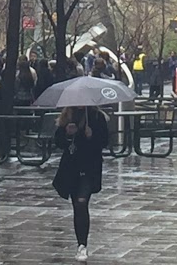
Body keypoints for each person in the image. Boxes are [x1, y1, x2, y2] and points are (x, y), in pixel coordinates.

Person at [52, 105, 110, 262]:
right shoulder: (67, 117)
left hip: (89, 168)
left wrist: (91, 135)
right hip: (71, 169)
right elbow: (59, 142)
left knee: (81, 203)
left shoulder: (96, 117)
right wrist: (67, 134)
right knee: (77, 207)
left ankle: (82, 245)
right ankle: (81, 242)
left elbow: (104, 141)